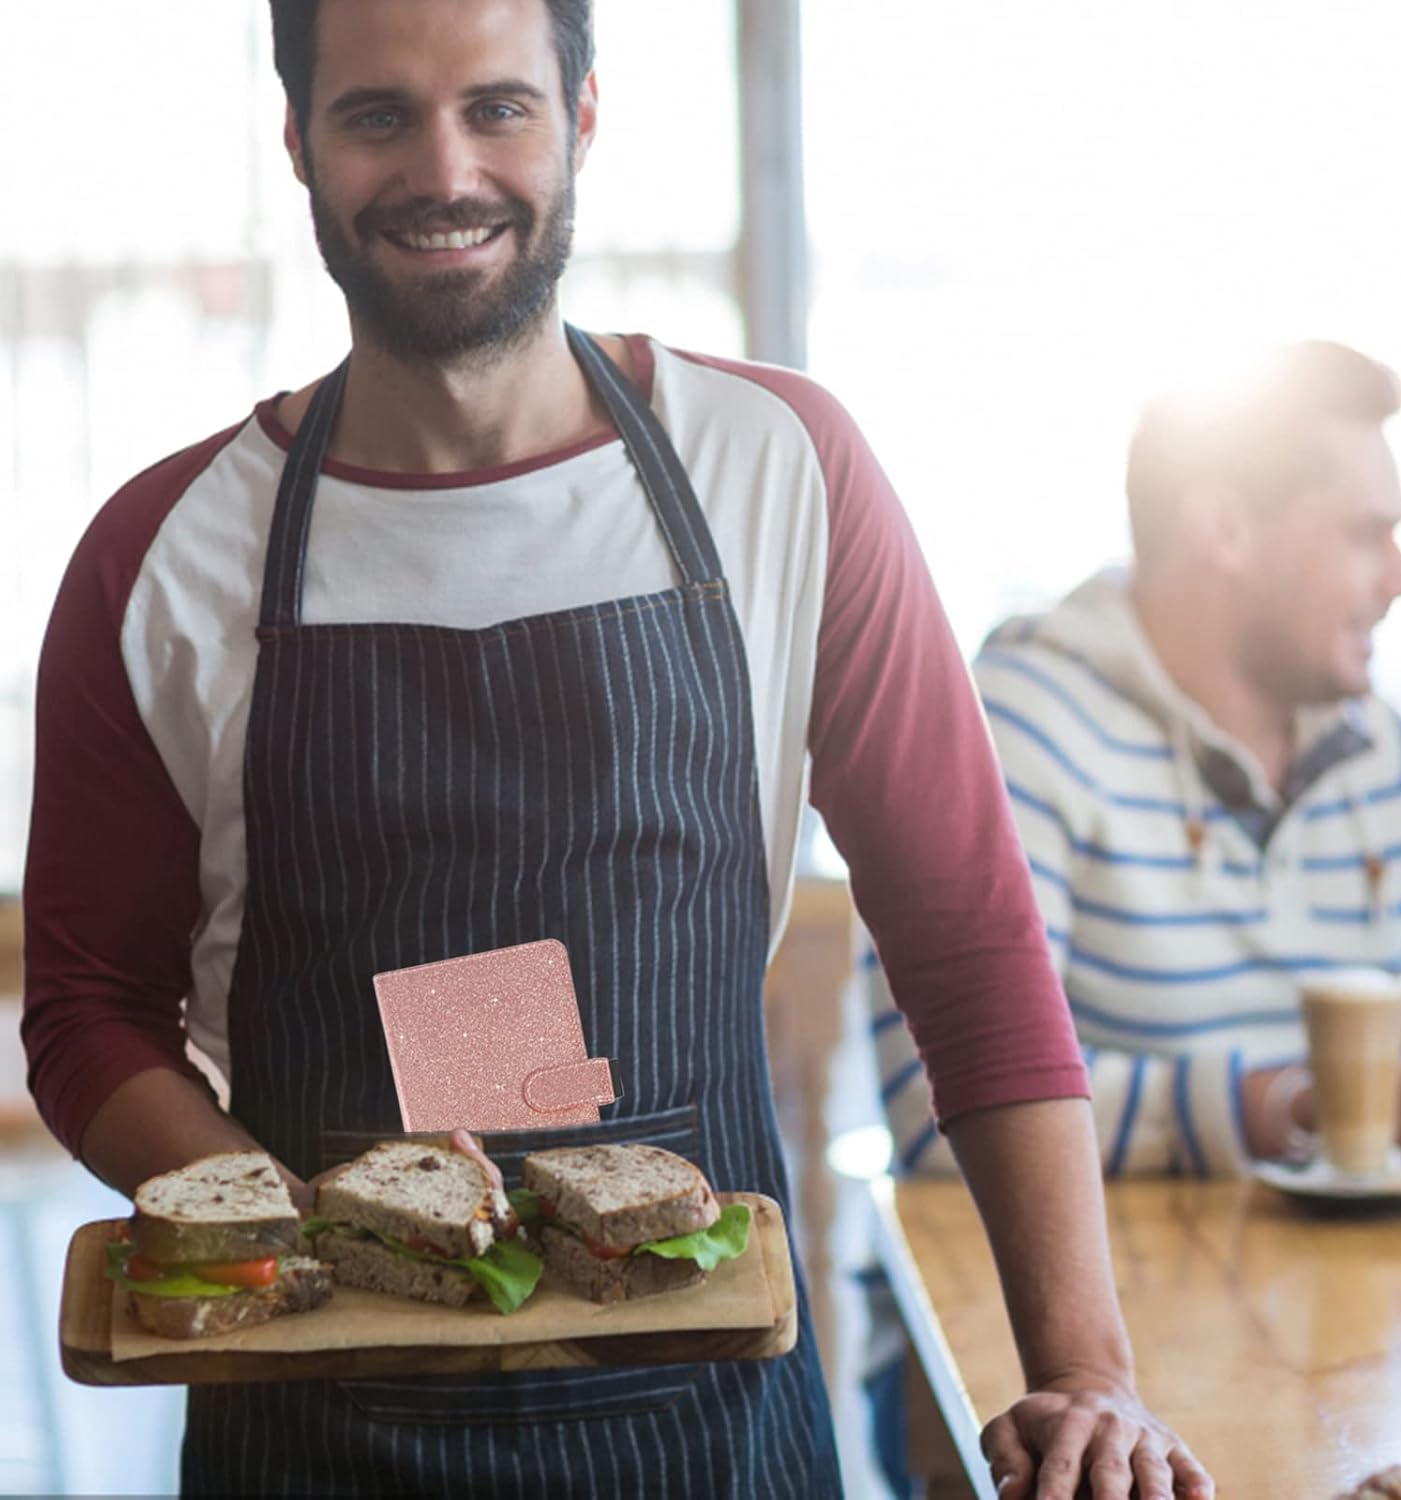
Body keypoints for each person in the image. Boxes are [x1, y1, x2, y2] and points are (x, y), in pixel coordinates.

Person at [20, 1, 1211, 1496]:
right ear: (299, 146)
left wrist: (1089, 1374)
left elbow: (965, 935)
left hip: (713, 1434)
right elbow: (84, 1011)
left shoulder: (780, 469)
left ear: (583, 119)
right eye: (379, 116)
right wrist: (290, 1223)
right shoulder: (165, 556)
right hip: (316, 1428)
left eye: (498, 110)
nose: (445, 171)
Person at [872, 339, 1401, 1184]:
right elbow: (938, 1112)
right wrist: (1277, 1105)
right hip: (1101, 1312)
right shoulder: (1015, 730)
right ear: (1224, 530)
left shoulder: (1390, 761)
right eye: (1366, 534)